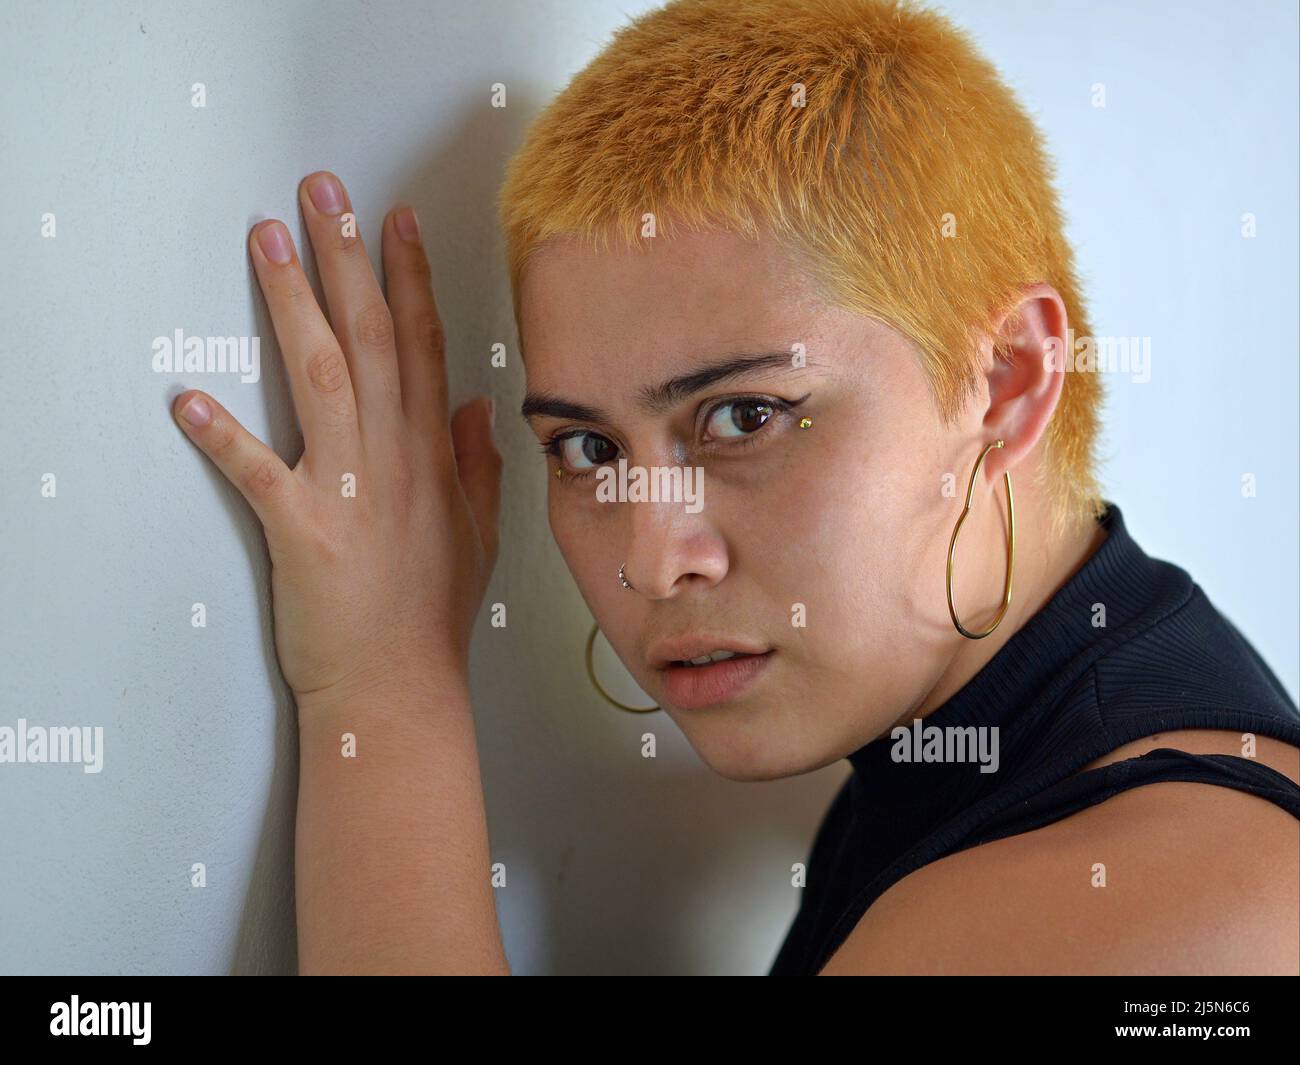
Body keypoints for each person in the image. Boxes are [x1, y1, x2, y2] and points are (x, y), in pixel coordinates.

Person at [169, 0, 1300, 974]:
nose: (653, 562)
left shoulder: (1144, 907)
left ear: (1002, 386)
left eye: (744, 417)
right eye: (588, 450)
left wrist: (384, 683)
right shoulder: (1057, 724)